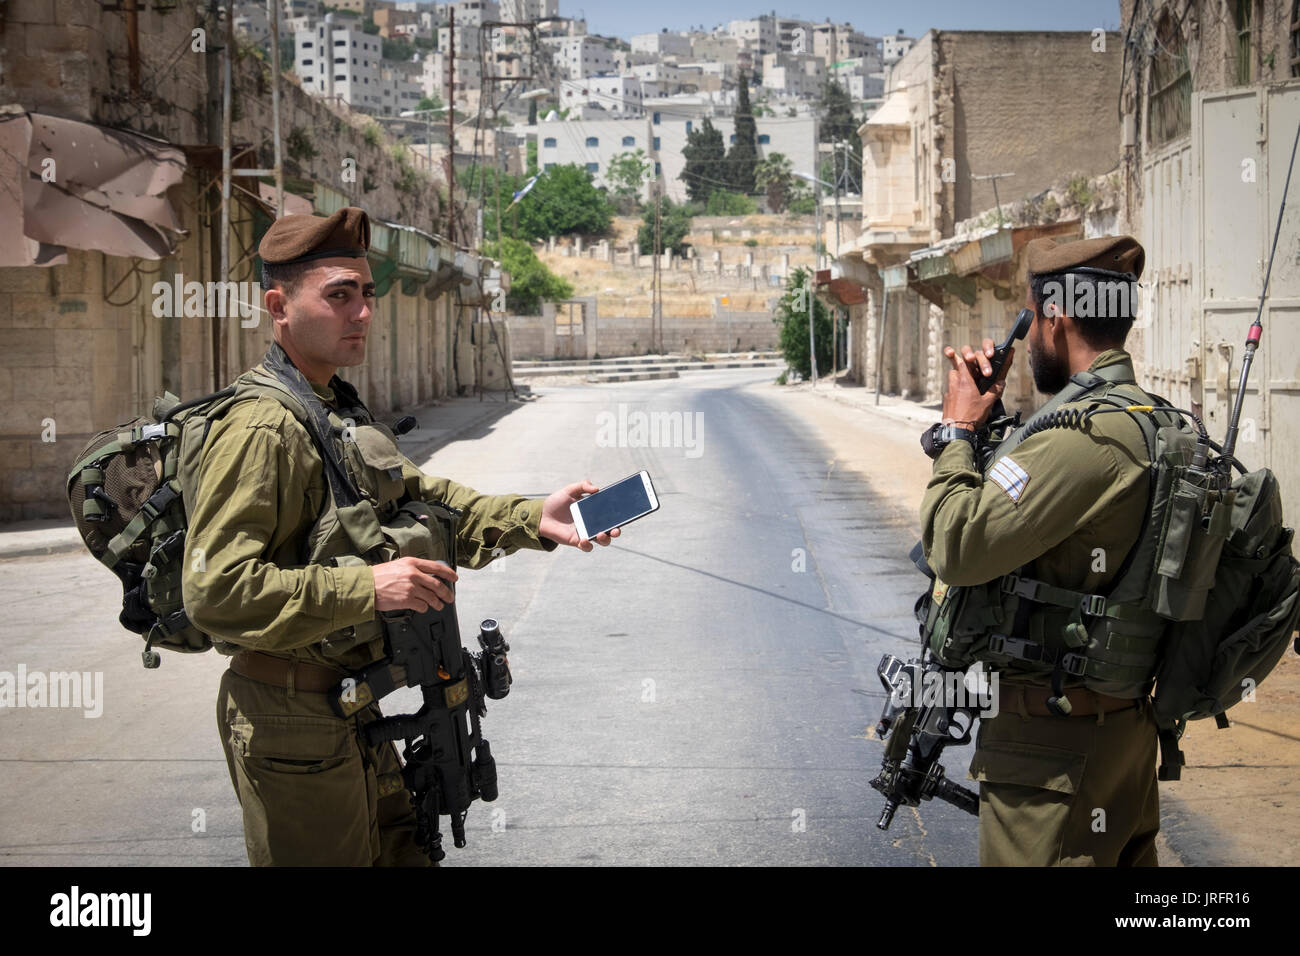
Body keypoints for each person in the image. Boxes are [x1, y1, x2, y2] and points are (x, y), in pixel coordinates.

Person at [181, 207, 617, 866]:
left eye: (366, 294)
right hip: (291, 717)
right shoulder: (261, 429)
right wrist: (369, 587)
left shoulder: (329, 408)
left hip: (351, 706)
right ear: (278, 305)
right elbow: (215, 593)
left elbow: (427, 502)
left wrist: (533, 518)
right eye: (339, 295)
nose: (361, 312)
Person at [919, 235, 1176, 866]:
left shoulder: (1085, 437)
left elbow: (956, 542)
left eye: (1030, 318)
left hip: (1053, 755)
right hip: (1117, 735)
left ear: (1055, 317)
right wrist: (998, 424)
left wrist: (956, 431)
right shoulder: (1153, 418)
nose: (1028, 337)